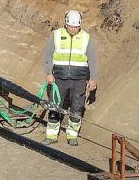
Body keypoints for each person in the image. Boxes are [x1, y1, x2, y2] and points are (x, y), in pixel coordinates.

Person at [42, 10, 98, 146]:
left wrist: (93, 78)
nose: (73, 29)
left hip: (79, 79)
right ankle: (51, 135)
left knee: (77, 107)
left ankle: (72, 135)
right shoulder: (56, 35)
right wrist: (49, 73)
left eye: (76, 26)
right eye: (71, 26)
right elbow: (47, 56)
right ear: (66, 24)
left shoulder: (86, 38)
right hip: (59, 78)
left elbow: (93, 60)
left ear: (80, 25)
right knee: (55, 106)